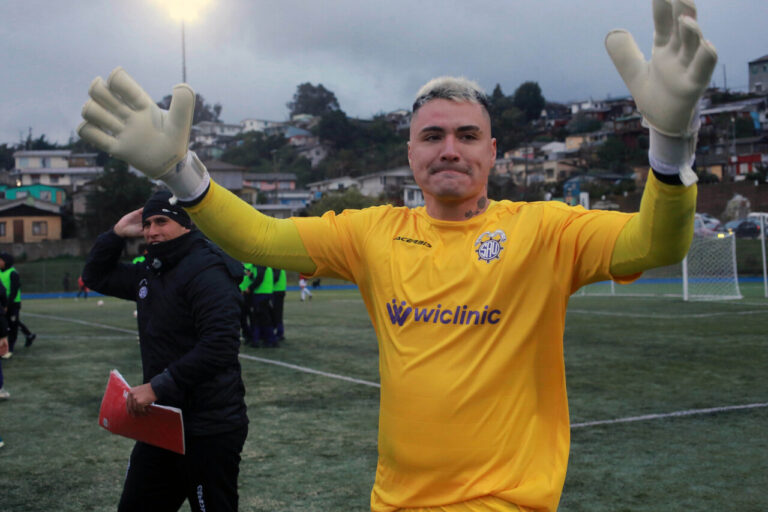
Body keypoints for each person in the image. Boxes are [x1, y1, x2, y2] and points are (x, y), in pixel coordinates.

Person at [78, 2, 716, 509]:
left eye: (468, 135)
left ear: (493, 152)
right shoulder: (374, 231)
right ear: (410, 153)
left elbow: (656, 243)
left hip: (504, 501)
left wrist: (670, 146)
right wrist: (183, 175)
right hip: (395, 500)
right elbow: (264, 240)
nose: (449, 149)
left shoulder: (547, 230)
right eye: (432, 135)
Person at [82, 190, 248, 511]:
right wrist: (116, 233)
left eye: (161, 221)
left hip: (209, 427)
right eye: (146, 224)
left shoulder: (208, 270)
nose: (151, 231)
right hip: (161, 423)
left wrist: (158, 386)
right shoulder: (152, 269)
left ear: (187, 223)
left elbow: (220, 345)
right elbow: (95, 276)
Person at [0, 253, 37, 353]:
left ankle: (10, 348)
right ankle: (29, 335)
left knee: (13, 325)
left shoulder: (13, 273)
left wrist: (7, 305)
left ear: (6, 261)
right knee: (8, 322)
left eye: (0, 260)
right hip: (3, 304)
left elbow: (14, 291)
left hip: (13, 304)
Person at [270, 268, 287, 340]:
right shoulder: (279, 266)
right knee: (277, 313)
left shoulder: (277, 265)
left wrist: (267, 281)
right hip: (279, 291)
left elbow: (276, 277)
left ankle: (279, 332)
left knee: (277, 313)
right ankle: (279, 331)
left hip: (277, 291)